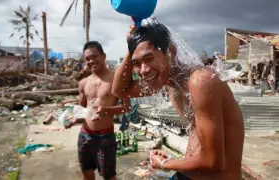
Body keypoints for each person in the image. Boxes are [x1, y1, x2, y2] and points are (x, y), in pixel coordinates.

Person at [112, 23, 244, 180]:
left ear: (171, 52)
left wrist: (164, 163)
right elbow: (119, 90)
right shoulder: (168, 81)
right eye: (136, 64)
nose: (144, 70)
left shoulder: (200, 82)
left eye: (148, 58)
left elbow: (213, 162)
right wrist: (133, 45)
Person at [66, 41, 131, 180]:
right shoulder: (83, 83)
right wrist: (73, 119)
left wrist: (106, 110)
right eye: (87, 59)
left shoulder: (116, 80)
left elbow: (127, 107)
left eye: (94, 56)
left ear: (104, 56)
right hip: (85, 135)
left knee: (109, 176)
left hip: (104, 137)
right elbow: (80, 109)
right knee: (87, 172)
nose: (91, 61)